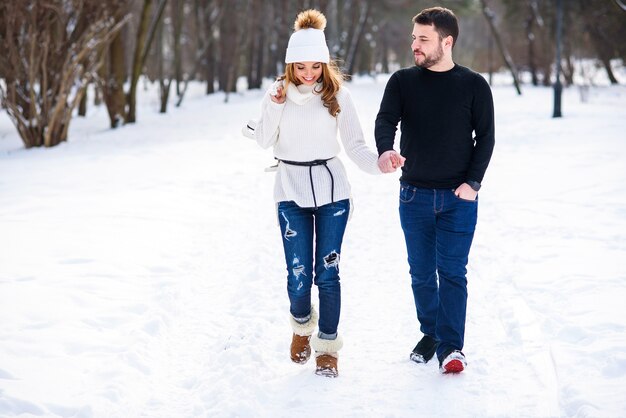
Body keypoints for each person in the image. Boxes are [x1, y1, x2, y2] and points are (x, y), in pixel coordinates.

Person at [253, 9, 381, 378]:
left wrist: (381, 164)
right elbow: (263, 140)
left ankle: (327, 347)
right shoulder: (276, 94)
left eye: (315, 66)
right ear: (290, 65)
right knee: (297, 274)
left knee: (327, 274)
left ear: (325, 65)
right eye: (300, 67)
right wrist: (275, 107)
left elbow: (356, 146)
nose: (308, 74)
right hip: (290, 191)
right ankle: (300, 327)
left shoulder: (338, 95)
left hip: (333, 193)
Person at [375, 7, 495, 374]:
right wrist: (386, 149)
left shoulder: (473, 84)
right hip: (414, 196)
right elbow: (385, 120)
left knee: (453, 273)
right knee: (422, 273)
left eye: (423, 39)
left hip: (458, 200)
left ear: (447, 41)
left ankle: (451, 347)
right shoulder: (401, 81)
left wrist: (473, 183)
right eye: (414, 37)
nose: (415, 44)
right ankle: (431, 332)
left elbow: (486, 138)